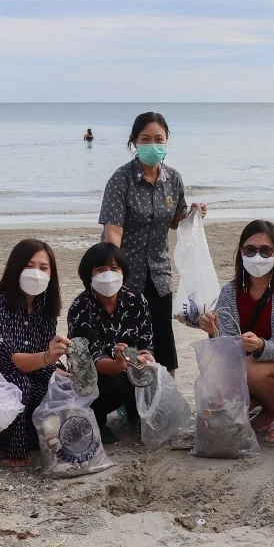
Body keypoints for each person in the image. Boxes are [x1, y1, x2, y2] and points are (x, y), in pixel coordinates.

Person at [99, 111, 205, 376]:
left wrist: (192, 214)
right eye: (145, 139)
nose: (152, 145)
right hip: (125, 271)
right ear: (134, 142)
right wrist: (113, 270)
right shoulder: (120, 179)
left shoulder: (174, 179)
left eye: (159, 139)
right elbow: (113, 230)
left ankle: (165, 392)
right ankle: (130, 394)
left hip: (159, 271)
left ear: (167, 141)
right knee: (128, 335)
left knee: (162, 333)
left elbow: (174, 221)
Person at [199, 220, 274, 443]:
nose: (257, 256)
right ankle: (265, 409)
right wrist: (213, 331)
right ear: (241, 252)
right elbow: (228, 348)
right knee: (215, 402)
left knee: (252, 367)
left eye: (265, 250)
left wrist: (260, 345)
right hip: (245, 367)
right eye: (250, 250)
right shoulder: (229, 292)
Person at [0, 239, 70, 468]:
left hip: (33, 367)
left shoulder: (44, 306)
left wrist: (57, 368)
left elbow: (43, 353)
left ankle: (41, 439)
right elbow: (9, 361)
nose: (36, 273)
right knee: (19, 384)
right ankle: (8, 450)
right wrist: (48, 358)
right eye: (29, 266)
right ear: (15, 268)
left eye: (43, 268)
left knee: (63, 381)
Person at [66, 242, 154, 444]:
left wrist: (145, 357)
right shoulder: (80, 307)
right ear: (89, 274)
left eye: (114, 268)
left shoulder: (137, 301)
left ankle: (135, 412)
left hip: (132, 365)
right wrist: (118, 363)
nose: (108, 274)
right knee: (114, 383)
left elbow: (146, 342)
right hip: (97, 375)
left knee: (152, 374)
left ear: (123, 271)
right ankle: (97, 420)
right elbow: (91, 360)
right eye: (100, 269)